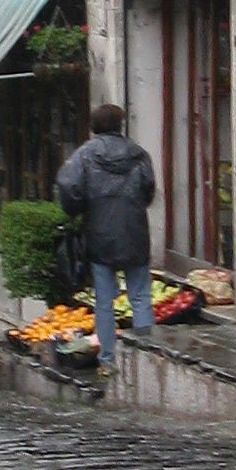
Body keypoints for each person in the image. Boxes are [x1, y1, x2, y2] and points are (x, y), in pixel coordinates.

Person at [57, 101, 158, 368]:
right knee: (140, 296)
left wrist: (77, 208)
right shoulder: (139, 155)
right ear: (120, 125)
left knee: (104, 300)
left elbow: (68, 184)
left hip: (100, 232)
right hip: (135, 231)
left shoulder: (85, 155)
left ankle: (108, 358)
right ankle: (146, 357)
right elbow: (149, 188)